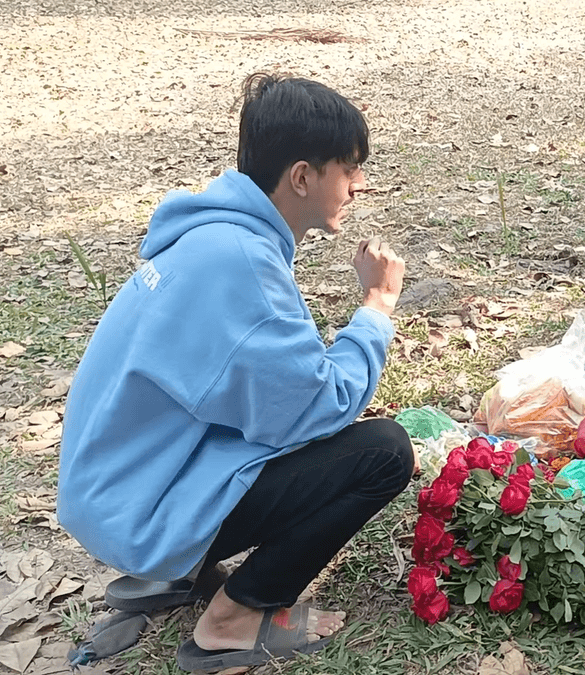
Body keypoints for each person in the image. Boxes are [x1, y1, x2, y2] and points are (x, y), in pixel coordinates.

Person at [58, 73, 415, 671]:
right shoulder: (242, 264)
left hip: (111, 489)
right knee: (383, 452)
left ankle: (179, 572)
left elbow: (256, 393)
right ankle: (233, 619)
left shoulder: (208, 234)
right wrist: (376, 308)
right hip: (139, 513)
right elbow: (323, 405)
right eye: (348, 169)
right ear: (302, 176)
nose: (359, 185)